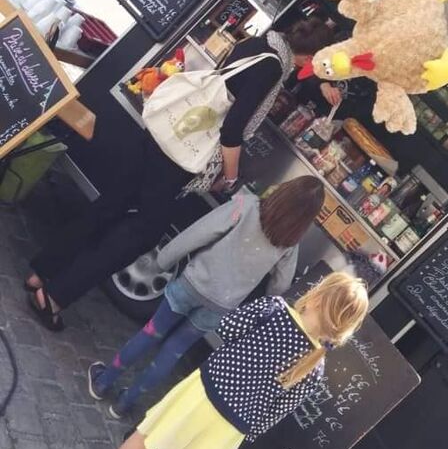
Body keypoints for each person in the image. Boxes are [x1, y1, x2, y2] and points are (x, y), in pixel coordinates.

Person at [25, 16, 334, 332]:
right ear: (310, 57)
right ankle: (55, 295)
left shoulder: (257, 44)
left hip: (165, 134)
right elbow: (232, 130)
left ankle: (42, 270)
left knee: (108, 206)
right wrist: (230, 175)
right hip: (179, 159)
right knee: (140, 235)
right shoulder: (272, 68)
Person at [65, 272, 369, 449]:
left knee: (147, 436)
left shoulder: (273, 309)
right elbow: (276, 413)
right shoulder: (315, 369)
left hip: (206, 390)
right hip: (232, 425)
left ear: (317, 294)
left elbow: (225, 329)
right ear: (343, 328)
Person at [86, 177, 325, 418]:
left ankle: (103, 382)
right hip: (221, 305)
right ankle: (125, 403)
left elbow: (199, 233)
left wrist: (164, 260)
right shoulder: (289, 246)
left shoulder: (246, 205)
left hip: (194, 283)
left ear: (283, 191)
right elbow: (280, 287)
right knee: (174, 351)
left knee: (151, 332)